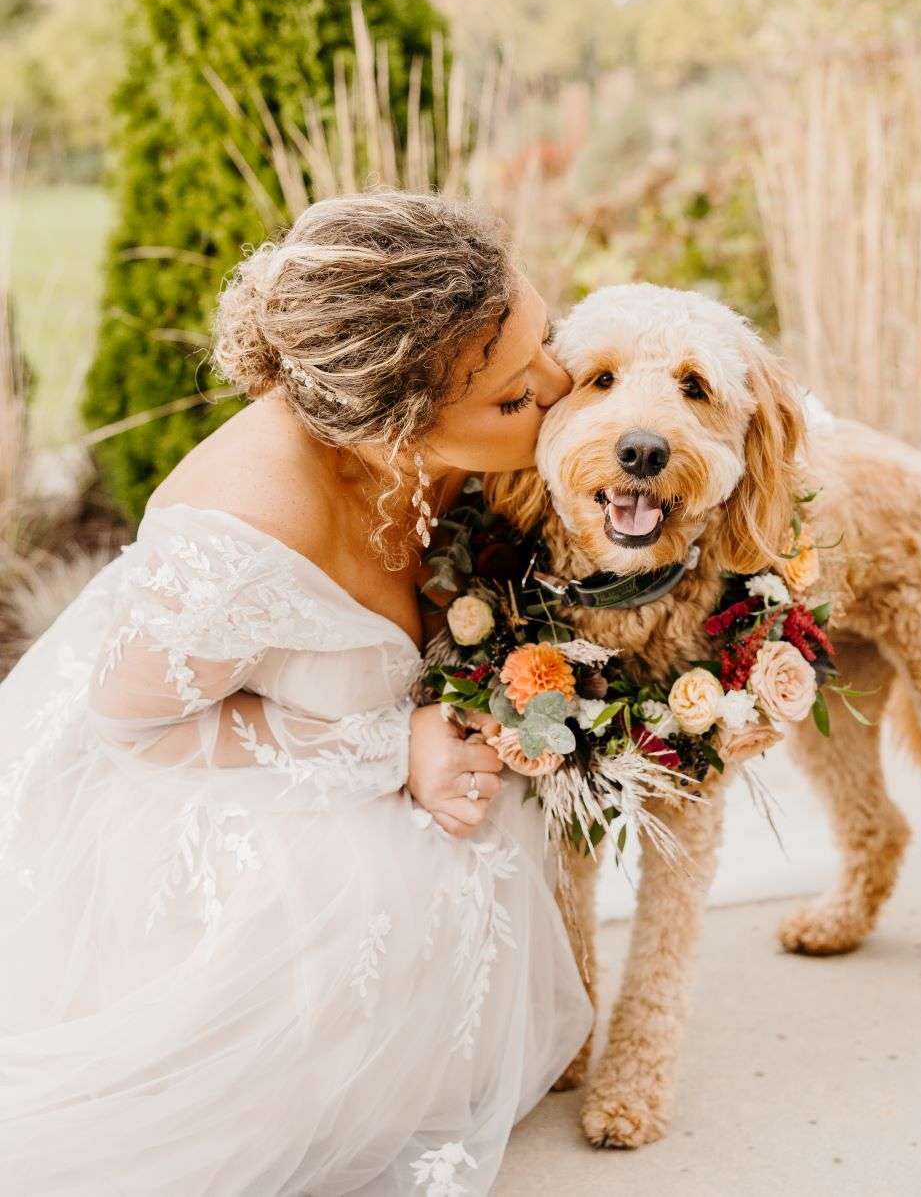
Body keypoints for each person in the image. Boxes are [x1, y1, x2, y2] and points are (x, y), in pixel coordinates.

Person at [0, 193, 593, 1196]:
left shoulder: (462, 401)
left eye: (547, 334)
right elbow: (129, 724)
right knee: (354, 916)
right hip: (186, 764)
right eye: (510, 398)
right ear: (396, 425)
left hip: (381, 721)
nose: (556, 382)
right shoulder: (244, 522)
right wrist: (387, 750)